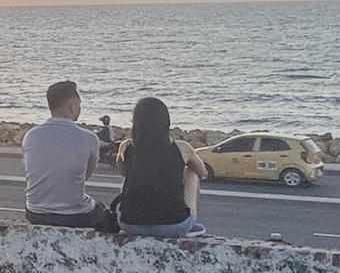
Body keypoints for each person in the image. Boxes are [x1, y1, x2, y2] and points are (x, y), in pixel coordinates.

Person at [21, 79, 110, 229]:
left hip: (34, 212)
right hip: (73, 215)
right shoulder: (89, 138)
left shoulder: (31, 135)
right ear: (72, 106)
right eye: (79, 104)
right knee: (104, 212)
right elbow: (84, 176)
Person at [117, 96, 209, 239]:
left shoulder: (125, 147)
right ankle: (188, 218)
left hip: (129, 224)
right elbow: (202, 172)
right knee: (192, 172)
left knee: (130, 173)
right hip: (175, 226)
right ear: (166, 123)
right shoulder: (182, 148)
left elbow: (122, 171)